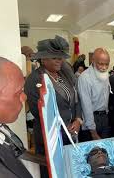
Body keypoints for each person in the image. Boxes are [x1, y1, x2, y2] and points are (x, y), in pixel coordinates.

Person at [25, 36, 82, 178]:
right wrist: (61, 129)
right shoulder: (35, 79)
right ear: (43, 59)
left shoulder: (64, 74)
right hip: (50, 137)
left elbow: (76, 98)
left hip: (70, 133)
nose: (59, 60)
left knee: (69, 168)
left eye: (61, 57)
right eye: (55, 57)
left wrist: (78, 120)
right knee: (51, 172)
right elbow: (40, 113)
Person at [78, 48, 111, 141]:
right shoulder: (85, 78)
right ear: (93, 61)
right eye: (101, 64)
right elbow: (86, 107)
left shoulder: (104, 74)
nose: (104, 67)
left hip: (104, 117)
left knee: (104, 150)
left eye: (107, 64)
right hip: (91, 120)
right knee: (92, 153)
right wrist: (93, 132)